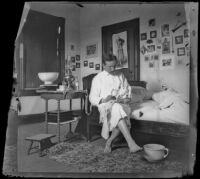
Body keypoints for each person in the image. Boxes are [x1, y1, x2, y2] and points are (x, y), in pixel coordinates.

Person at [89, 54, 142, 153]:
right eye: (110, 66)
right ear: (103, 65)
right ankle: (131, 143)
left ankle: (109, 142)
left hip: (121, 104)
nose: (113, 68)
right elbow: (92, 98)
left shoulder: (120, 75)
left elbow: (128, 89)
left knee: (118, 110)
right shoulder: (98, 78)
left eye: (114, 66)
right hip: (106, 105)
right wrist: (104, 99)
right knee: (117, 109)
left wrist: (127, 98)